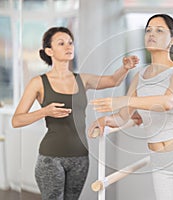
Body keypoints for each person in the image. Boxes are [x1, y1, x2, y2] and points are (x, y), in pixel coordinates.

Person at [88, 14, 173, 200]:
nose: (151, 34)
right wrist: (106, 120)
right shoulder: (139, 76)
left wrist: (126, 100)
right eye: (148, 30)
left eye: (159, 30)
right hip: (162, 163)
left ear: (172, 40)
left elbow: (167, 102)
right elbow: (123, 116)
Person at [11, 26, 138, 200]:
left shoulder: (82, 79)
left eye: (70, 43)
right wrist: (45, 111)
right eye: (61, 43)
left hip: (80, 157)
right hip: (50, 158)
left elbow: (113, 81)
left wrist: (125, 68)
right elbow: (16, 120)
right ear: (49, 51)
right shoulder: (38, 82)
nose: (68, 46)